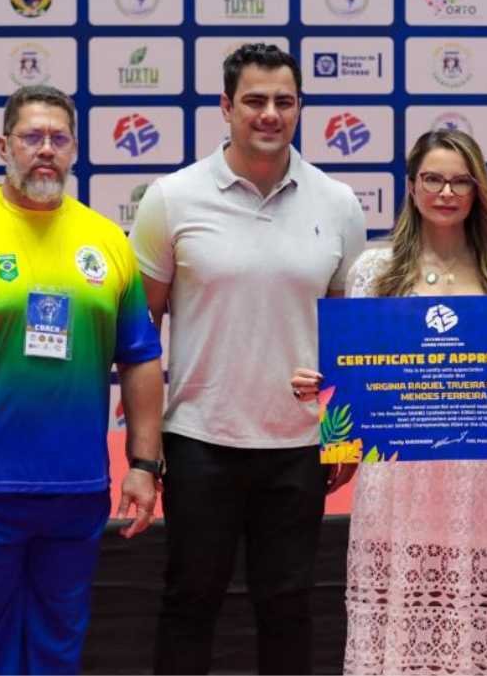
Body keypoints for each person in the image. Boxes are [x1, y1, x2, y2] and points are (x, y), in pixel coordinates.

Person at [0, 85, 165, 674]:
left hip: (77, 490)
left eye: (58, 138)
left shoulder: (107, 242)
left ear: (74, 150)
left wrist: (145, 465)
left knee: (57, 644)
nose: (45, 150)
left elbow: (141, 357)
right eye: (31, 137)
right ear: (3, 145)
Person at [129, 43, 366, 675]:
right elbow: (139, 336)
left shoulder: (338, 203)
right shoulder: (172, 198)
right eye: (255, 101)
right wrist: (144, 455)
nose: (270, 114)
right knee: (189, 603)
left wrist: (343, 433)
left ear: (299, 109)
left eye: (283, 102)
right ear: (226, 107)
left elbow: (350, 333)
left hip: (297, 446)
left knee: (288, 608)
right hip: (199, 440)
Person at [291, 128, 487, 675]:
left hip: (470, 483)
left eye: (459, 181)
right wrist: (323, 387)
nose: (445, 192)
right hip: (392, 480)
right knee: (390, 629)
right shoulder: (373, 273)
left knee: (462, 628)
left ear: (478, 190)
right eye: (432, 179)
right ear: (411, 186)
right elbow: (356, 375)